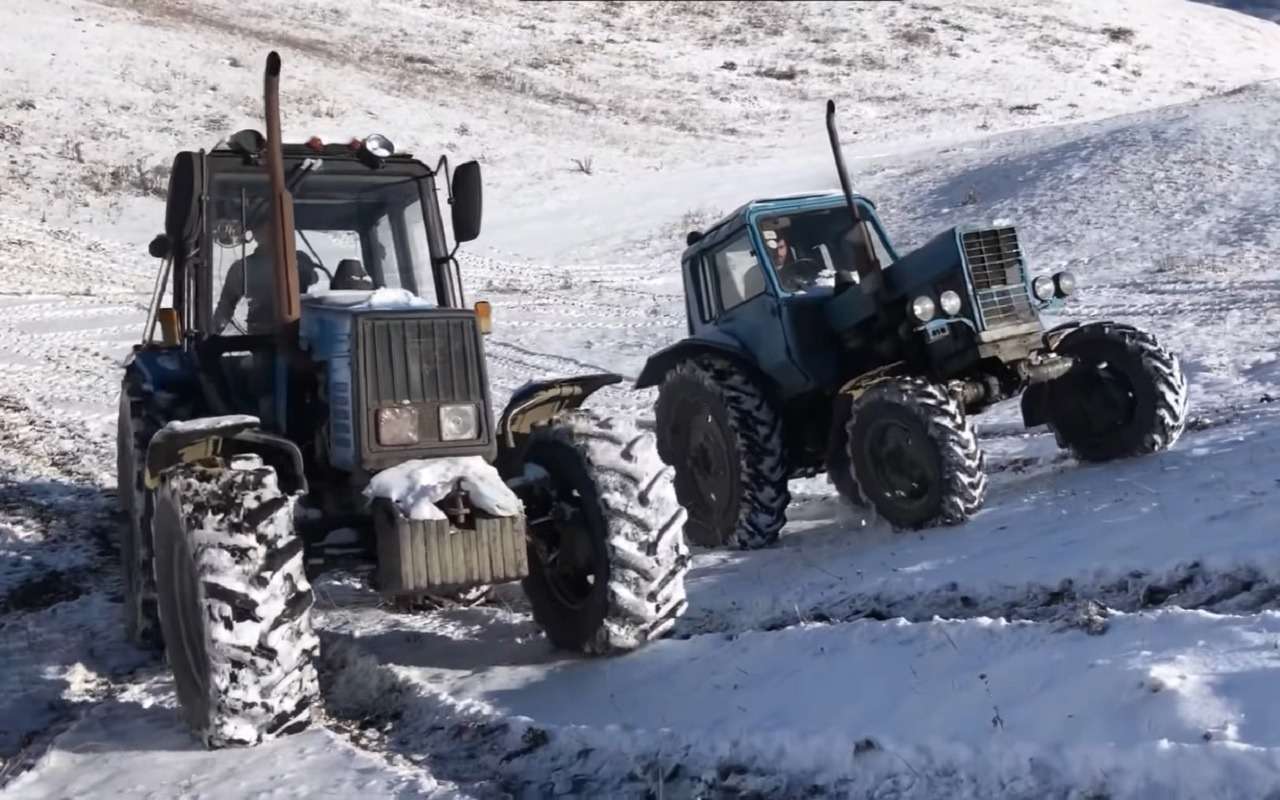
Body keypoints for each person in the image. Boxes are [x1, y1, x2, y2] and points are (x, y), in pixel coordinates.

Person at [212, 219, 320, 334]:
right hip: (262, 336)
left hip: (295, 331)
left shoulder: (299, 259)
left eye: (273, 229)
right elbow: (224, 309)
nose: (270, 233)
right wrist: (212, 335)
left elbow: (314, 278)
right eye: (266, 229)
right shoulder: (242, 268)